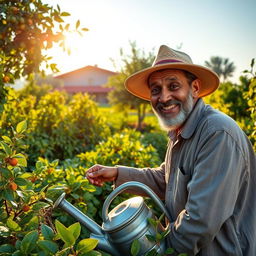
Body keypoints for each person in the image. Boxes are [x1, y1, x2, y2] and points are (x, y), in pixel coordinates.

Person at [86, 45, 256, 256]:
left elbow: (200, 220)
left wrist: (164, 251)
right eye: (156, 90)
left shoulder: (217, 134)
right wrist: (117, 173)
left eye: (173, 86)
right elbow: (168, 181)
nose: (164, 98)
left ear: (194, 88)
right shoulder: (180, 131)